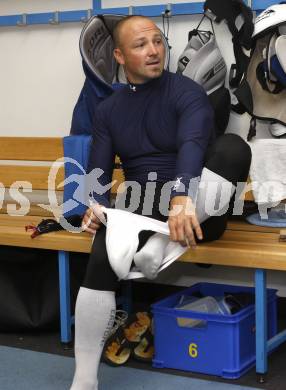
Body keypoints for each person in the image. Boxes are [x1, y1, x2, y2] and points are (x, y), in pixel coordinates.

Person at [70, 15, 251, 390]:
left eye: (157, 41)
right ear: (120, 56)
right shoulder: (107, 110)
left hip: (199, 211)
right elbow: (98, 171)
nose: (154, 50)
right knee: (105, 232)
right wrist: (93, 203)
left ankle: (163, 242)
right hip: (145, 204)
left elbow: (193, 143)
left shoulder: (188, 92)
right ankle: (84, 380)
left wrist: (184, 197)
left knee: (233, 148)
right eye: (140, 45)